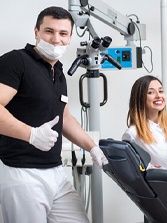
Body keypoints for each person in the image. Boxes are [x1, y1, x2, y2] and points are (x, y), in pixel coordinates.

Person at [0, 6, 107, 223]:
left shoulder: (57, 72)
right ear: (36, 32)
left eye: (63, 33)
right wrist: (31, 134)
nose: (56, 39)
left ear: (69, 38)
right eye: (49, 31)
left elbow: (65, 117)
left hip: (55, 171)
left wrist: (92, 147)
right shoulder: (16, 61)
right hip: (22, 172)